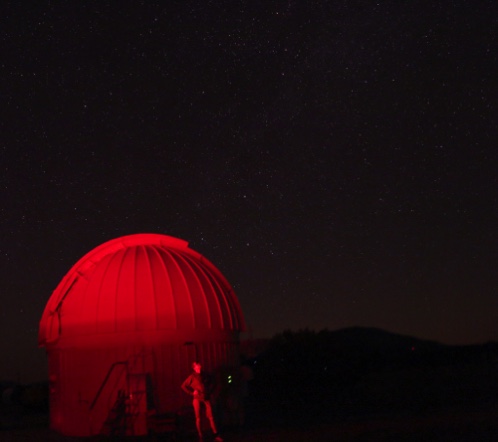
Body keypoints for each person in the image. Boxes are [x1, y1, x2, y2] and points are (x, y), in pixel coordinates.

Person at [181, 361, 223, 441]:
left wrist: (210, 391)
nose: (199, 367)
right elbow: (183, 386)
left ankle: (216, 434)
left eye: (199, 365)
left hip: (206, 397)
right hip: (197, 398)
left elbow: (213, 382)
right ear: (194, 368)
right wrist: (192, 393)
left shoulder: (205, 374)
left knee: (211, 417)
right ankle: (200, 435)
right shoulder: (192, 377)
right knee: (198, 417)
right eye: (197, 366)